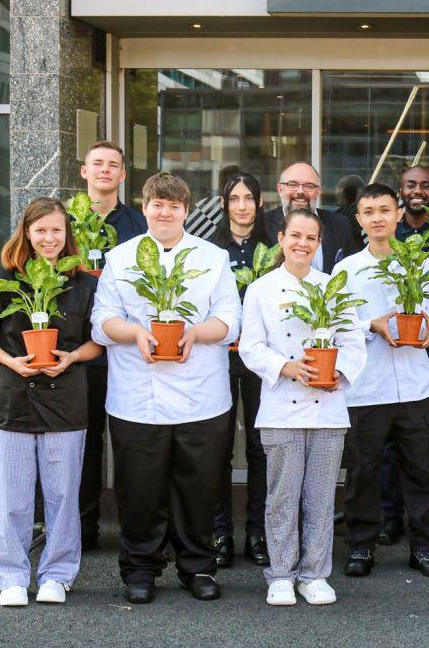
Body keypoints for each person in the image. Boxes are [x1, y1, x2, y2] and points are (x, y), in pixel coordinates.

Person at [91, 172, 242, 604]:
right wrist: (135, 333)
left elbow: (231, 318)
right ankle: (140, 568)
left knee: (200, 488)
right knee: (140, 490)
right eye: (157, 204)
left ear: (186, 211)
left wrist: (195, 333)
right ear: (145, 208)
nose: (165, 212)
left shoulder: (212, 258)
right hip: (138, 396)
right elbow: (101, 320)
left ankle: (198, 567)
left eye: (174, 206)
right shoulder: (121, 258)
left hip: (202, 396)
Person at [0, 197, 102, 606]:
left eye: (56, 230)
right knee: (11, 495)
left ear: (67, 234)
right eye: (41, 230)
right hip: (15, 396)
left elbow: (99, 341)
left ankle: (57, 575)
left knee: (63, 495)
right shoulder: (4, 277)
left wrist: (71, 358)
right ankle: (11, 576)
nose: (49, 238)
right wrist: (10, 360)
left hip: (66, 398)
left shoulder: (84, 283)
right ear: (26, 233)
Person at [239, 208, 368, 607]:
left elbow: (354, 344)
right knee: (282, 496)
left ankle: (314, 574)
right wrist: (286, 366)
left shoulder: (332, 287)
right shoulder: (260, 289)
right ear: (281, 239)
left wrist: (336, 372)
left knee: (321, 497)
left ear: (319, 244)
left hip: (328, 409)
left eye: (311, 238)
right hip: (281, 408)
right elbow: (250, 347)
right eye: (295, 235)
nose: (302, 243)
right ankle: (280, 574)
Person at [332, 183, 429, 579]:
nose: (377, 218)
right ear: (359, 219)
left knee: (421, 468)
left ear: (399, 214)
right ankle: (361, 545)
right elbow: (337, 322)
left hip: (415, 384)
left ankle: (425, 546)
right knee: (363, 469)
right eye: (369, 212)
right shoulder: (347, 269)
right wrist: (372, 324)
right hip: (367, 387)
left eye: (385, 210)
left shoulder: (421, 261)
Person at [378, 166, 429, 546]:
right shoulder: (389, 235)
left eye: (425, 186)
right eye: (411, 185)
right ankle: (391, 515)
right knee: (390, 440)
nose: (418, 191)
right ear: (401, 192)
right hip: (388, 349)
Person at [78, 140, 146, 551]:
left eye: (113, 165)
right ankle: (83, 529)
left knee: (131, 445)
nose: (105, 170)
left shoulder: (138, 224)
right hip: (78, 351)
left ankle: (133, 531)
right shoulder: (66, 221)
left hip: (126, 353)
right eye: (97, 163)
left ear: (122, 175)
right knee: (82, 444)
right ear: (84, 171)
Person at [210, 173, 275, 568]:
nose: (242, 206)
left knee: (259, 446)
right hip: (218, 356)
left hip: (261, 359)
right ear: (224, 204)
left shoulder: (273, 248)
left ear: (260, 202)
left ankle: (258, 531)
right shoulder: (209, 250)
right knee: (218, 446)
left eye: (248, 198)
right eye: (234, 198)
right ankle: (220, 532)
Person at [263, 161, 358, 273]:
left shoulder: (340, 224)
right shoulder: (262, 224)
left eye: (309, 186)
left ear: (318, 192)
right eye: (292, 184)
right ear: (280, 189)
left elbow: (352, 269)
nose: (300, 191)